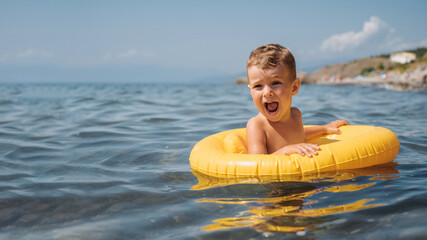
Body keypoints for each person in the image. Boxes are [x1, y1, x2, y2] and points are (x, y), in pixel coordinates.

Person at [246, 43, 349, 157]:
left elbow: (301, 134)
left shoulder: (295, 115)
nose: (266, 92)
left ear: (294, 87)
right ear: (251, 91)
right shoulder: (256, 126)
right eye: (258, 86)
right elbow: (257, 163)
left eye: (276, 83)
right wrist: (286, 150)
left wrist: (325, 129)